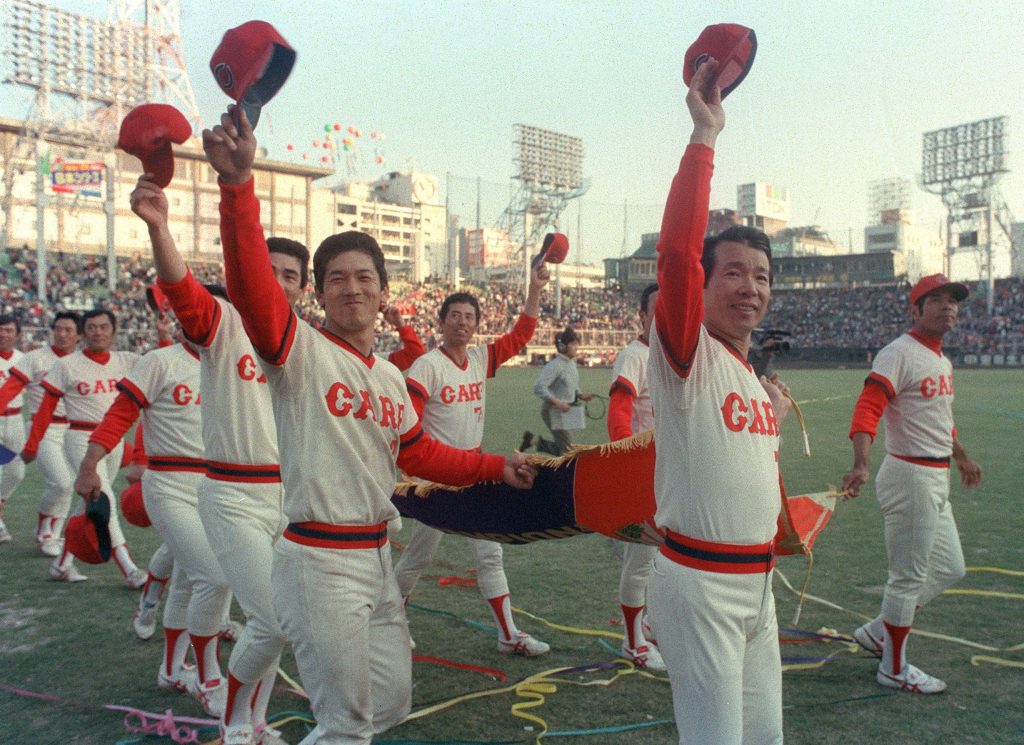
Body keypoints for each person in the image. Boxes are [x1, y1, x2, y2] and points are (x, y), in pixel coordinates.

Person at [203, 104, 536, 745]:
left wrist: (498, 466)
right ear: (320, 295)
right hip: (319, 560)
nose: (350, 289)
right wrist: (237, 185)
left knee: (390, 704)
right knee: (347, 724)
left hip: (377, 557)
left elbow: (424, 455)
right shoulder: (296, 348)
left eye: (364, 278)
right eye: (335, 280)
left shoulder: (388, 376)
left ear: (385, 293)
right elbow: (249, 287)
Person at [644, 59, 791, 744]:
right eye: (732, 271)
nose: (750, 287)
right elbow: (676, 255)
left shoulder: (749, 376)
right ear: (705, 283)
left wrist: (774, 423)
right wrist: (704, 136)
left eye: (760, 276)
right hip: (700, 582)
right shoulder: (686, 350)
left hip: (757, 587)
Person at [130, 172, 299, 745]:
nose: (278, 282)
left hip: (288, 498)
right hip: (229, 493)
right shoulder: (223, 323)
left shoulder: (307, 341)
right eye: (268, 269)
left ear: (305, 289)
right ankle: (230, 720)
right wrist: (160, 228)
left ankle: (251, 722)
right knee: (265, 616)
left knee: (279, 621)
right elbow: (180, 289)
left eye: (291, 276)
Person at [75, 332, 233, 716]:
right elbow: (121, 413)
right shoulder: (161, 361)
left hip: (219, 486)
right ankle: (209, 679)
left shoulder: (232, 363)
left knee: (186, 579)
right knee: (213, 578)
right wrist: (89, 463)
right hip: (169, 484)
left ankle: (171, 669)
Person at [395, 273, 551, 657]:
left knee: (489, 551)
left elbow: (520, 335)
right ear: (441, 321)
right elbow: (408, 423)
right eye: (454, 315)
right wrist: (412, 469)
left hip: (477, 472)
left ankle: (507, 633)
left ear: (477, 324)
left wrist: (533, 290)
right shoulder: (427, 365)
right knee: (419, 556)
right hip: (438, 477)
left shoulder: (480, 358)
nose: (462, 322)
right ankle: (392, 626)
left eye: (469, 316)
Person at [841, 273, 982, 695]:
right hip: (910, 475)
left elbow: (941, 421)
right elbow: (868, 406)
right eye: (935, 300)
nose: (947, 307)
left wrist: (962, 457)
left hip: (935, 475)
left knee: (949, 566)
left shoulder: (941, 360)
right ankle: (894, 668)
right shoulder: (898, 353)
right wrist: (861, 463)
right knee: (906, 577)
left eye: (953, 301)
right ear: (915, 309)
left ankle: (878, 632)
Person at [24, 308, 146, 586]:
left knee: (89, 502)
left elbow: (161, 365)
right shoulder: (67, 365)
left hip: (113, 439)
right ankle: (129, 569)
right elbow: (45, 409)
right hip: (81, 438)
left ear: (114, 332)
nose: (98, 332)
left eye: (104, 327)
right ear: (84, 332)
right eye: (92, 327)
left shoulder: (126, 360)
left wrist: (163, 336)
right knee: (103, 500)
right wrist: (33, 443)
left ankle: (62, 564)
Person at [606, 283, 665, 672]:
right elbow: (619, 412)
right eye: (658, 309)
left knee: (665, 561)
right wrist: (628, 465)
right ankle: (633, 642)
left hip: (674, 476)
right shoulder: (635, 355)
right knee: (641, 563)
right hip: (645, 474)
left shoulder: (680, 357)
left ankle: (649, 626)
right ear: (642, 316)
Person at [0, 311, 81, 555]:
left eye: (68, 330)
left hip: (71, 429)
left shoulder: (81, 360)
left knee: (21, 474)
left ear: (79, 335)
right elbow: (10, 389)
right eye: (58, 328)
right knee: (61, 482)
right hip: (41, 427)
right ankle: (45, 532)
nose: (62, 334)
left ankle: (52, 534)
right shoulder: (36, 358)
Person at [526, 326, 591, 456]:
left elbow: (571, 383)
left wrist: (580, 394)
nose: (576, 347)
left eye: (576, 343)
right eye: (573, 344)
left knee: (565, 446)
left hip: (566, 409)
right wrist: (558, 403)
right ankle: (561, 474)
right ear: (562, 347)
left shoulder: (571, 363)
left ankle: (534, 441)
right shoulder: (555, 365)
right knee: (568, 450)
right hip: (553, 410)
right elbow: (538, 387)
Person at [0, 314, 25, 544]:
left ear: (17, 334)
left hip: (15, 419)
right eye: (0, 329)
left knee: (16, 471)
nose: (3, 334)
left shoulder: (22, 359)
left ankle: (0, 503)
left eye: (8, 330)